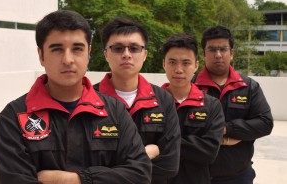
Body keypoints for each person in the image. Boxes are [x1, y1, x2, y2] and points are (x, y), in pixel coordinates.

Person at [0, 10, 152, 184]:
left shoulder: (115, 111)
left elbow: (140, 174)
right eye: (57, 49)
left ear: (88, 53)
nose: (68, 59)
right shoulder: (13, 117)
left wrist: (75, 179)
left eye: (77, 49)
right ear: (41, 55)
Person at [93, 17, 181, 183]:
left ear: (145, 54)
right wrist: (147, 153)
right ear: (106, 54)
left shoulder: (163, 99)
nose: (126, 55)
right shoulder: (88, 99)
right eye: (118, 48)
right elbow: (85, 165)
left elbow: (169, 165)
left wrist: (113, 169)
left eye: (134, 48)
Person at [193, 25, 274, 184]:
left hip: (238, 176)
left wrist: (226, 129)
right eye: (212, 50)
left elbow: (265, 123)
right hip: (196, 176)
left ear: (231, 53)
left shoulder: (249, 87)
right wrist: (226, 138)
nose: (218, 55)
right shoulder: (190, 86)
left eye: (223, 49)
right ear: (203, 54)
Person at [160, 33, 225, 184]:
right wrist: (192, 144)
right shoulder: (151, 103)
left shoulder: (211, 105)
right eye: (172, 62)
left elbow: (209, 152)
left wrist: (163, 143)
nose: (178, 69)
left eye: (186, 63)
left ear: (196, 65)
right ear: (164, 64)